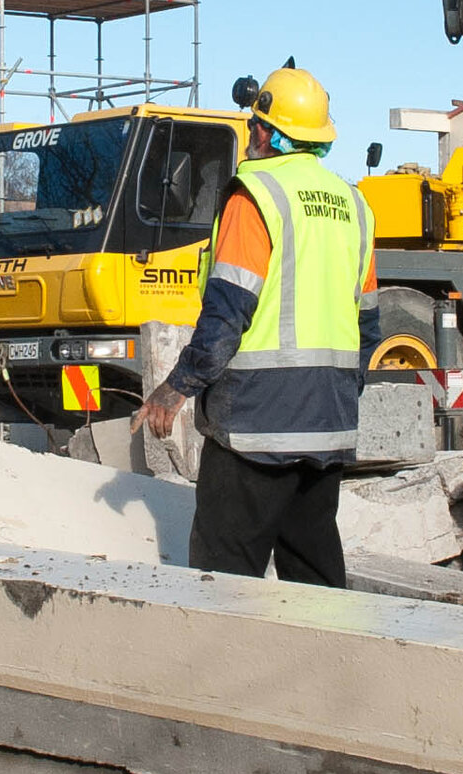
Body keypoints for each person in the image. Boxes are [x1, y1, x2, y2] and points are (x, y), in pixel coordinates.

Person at [141, 62, 375, 583]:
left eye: (253, 124)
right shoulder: (355, 205)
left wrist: (176, 389)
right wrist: (334, 394)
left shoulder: (256, 195)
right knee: (316, 577)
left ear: (267, 131)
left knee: (223, 580)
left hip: (254, 427)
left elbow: (227, 313)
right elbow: (369, 325)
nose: (250, 134)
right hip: (327, 424)